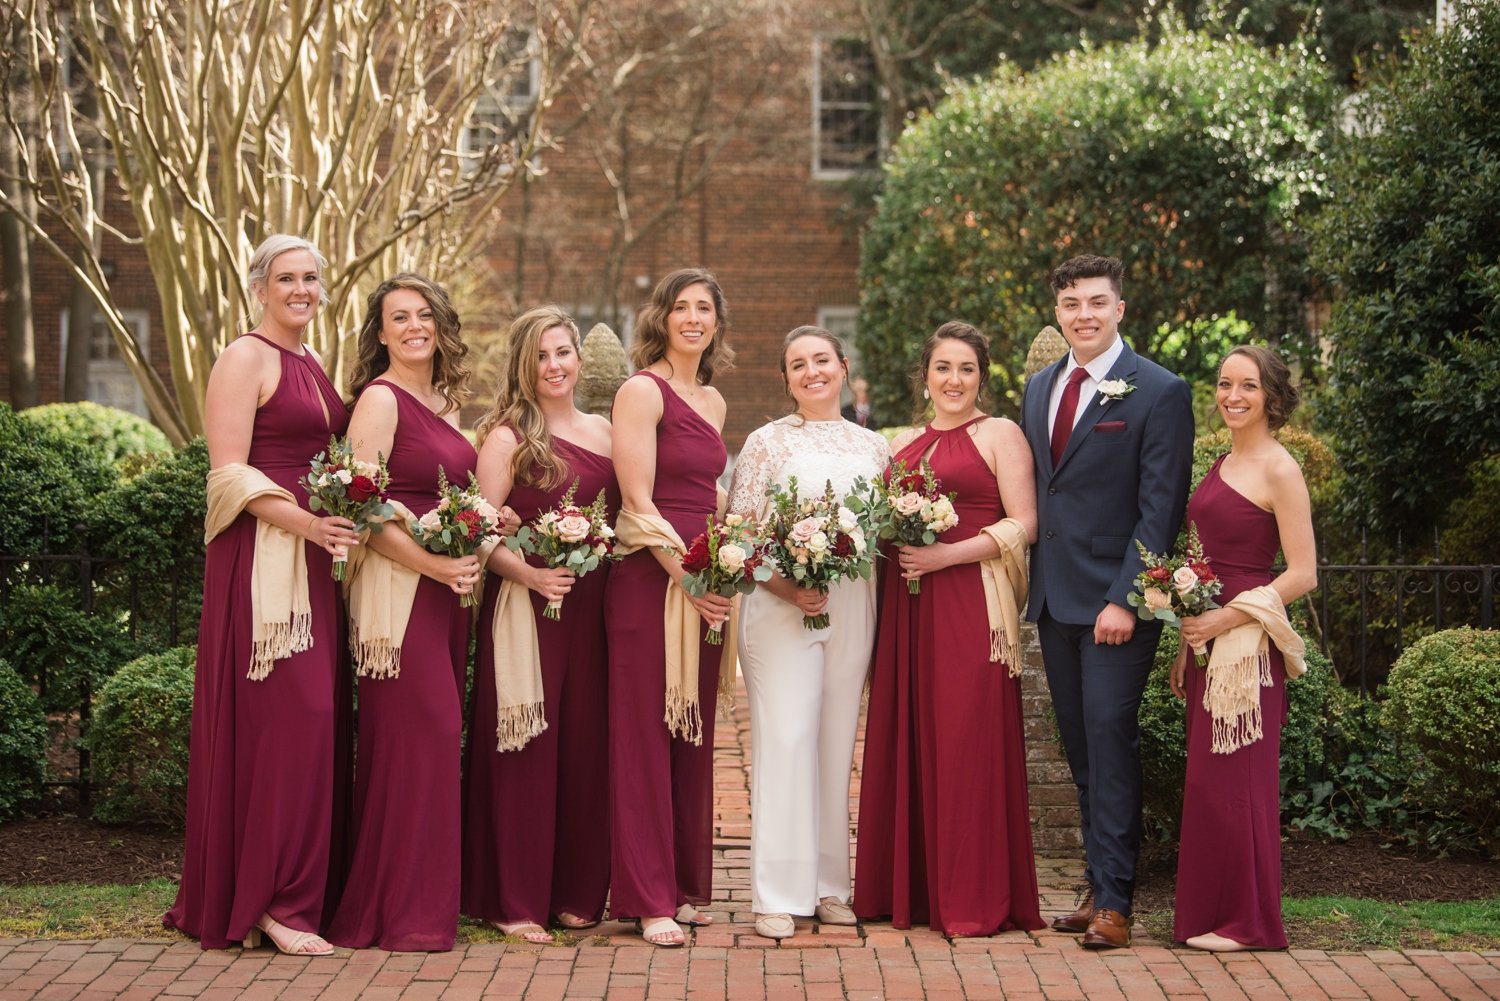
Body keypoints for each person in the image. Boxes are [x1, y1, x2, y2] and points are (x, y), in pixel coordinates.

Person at [165, 235, 358, 955]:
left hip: (313, 560)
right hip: (263, 563)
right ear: (260, 287)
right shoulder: (244, 356)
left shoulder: (309, 360)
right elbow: (228, 476)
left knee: (313, 724)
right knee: (290, 721)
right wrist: (309, 520)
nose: (302, 289)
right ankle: (274, 901)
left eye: (312, 277)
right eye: (287, 278)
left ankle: (292, 892)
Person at [1021, 254, 1194, 949]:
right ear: (1058, 312)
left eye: (1096, 301)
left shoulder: (1159, 390)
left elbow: (1161, 510)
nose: (1083, 314)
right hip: (1055, 598)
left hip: (1117, 606)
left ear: (1120, 307)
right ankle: (1097, 881)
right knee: (1081, 747)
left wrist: (1128, 598)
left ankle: (1118, 902)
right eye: (1071, 303)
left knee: (1111, 739)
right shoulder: (1039, 387)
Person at [854, 321, 1044, 939]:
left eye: (966, 369)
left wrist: (947, 556)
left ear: (981, 376)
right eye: (943, 368)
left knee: (965, 740)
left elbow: (1025, 525)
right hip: (908, 611)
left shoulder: (1000, 434)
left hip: (969, 605)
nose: (954, 380)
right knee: (912, 735)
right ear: (925, 375)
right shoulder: (902, 442)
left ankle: (971, 896)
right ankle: (909, 891)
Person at [325, 274, 482, 952]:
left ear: (442, 325)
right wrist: (438, 564)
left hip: (446, 595)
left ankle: (414, 906)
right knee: (422, 733)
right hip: (401, 593)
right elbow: (357, 509)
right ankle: (395, 912)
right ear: (381, 332)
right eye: (399, 317)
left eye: (424, 315)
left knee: (433, 742)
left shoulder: (444, 401)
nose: (414, 326)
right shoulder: (380, 400)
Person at [726, 327, 890, 941]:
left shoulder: (875, 448)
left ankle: (829, 887)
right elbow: (740, 535)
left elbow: (884, 535)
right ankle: (776, 891)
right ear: (787, 377)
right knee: (788, 738)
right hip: (781, 608)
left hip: (853, 603)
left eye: (822, 360)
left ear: (844, 368)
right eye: (798, 364)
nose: (812, 372)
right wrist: (789, 586)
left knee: (835, 742)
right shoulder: (766, 443)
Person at [462, 305, 618, 943]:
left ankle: (576, 891)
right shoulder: (506, 438)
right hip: (527, 610)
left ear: (579, 358)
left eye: (563, 353)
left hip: (595, 610)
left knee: (586, 743)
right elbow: (475, 528)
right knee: (525, 743)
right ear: (524, 367)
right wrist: (527, 575)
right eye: (541, 357)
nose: (555, 367)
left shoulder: (607, 432)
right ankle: (514, 898)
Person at [1170, 346, 1316, 952]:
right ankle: (1210, 913)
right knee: (1208, 783)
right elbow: (1201, 559)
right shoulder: (1220, 460)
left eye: (1248, 387)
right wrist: (1189, 638)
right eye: (1225, 384)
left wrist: (1230, 617)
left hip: (1249, 648)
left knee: (1242, 784)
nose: (1233, 396)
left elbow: (1303, 572)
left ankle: (1249, 924)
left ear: (1272, 398)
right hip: (1206, 645)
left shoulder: (1280, 468)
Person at [606, 268, 734, 948]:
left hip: (704, 578)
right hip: (650, 579)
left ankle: (684, 885)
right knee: (646, 732)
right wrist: (684, 576)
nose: (692, 318)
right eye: (680, 307)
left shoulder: (711, 400)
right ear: (661, 317)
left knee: (693, 726)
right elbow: (637, 502)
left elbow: (708, 494)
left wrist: (731, 553)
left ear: (717, 322)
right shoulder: (640, 390)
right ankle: (646, 896)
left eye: (704, 308)